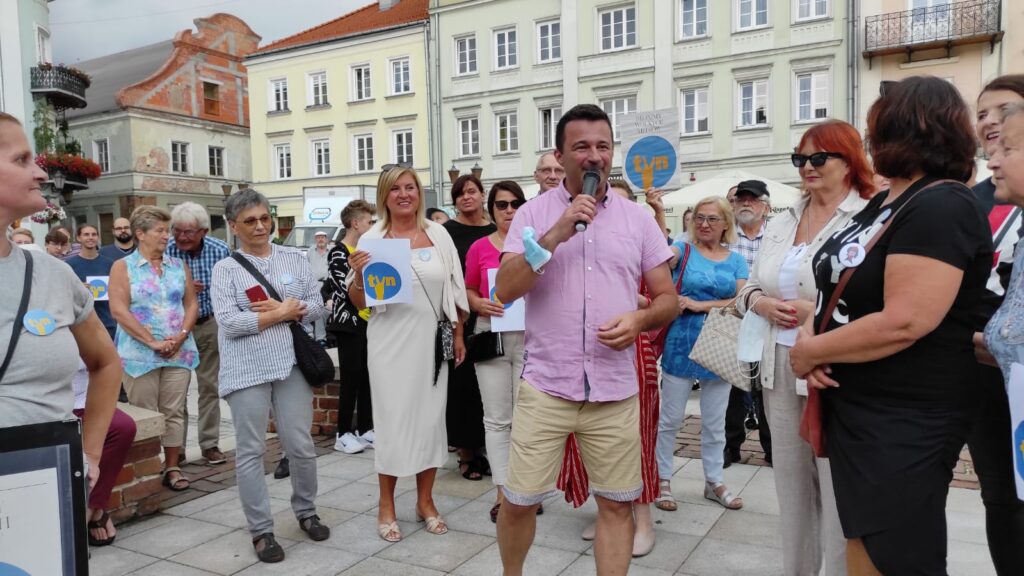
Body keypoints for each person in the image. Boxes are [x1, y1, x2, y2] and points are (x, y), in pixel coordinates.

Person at [789, 76, 992, 575]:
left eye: (874, 125)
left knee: (897, 551)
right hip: (861, 407)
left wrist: (813, 352)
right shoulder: (886, 202)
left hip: (905, 414)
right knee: (866, 540)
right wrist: (816, 338)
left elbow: (906, 320)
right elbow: (835, 287)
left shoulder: (942, 204)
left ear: (904, 127)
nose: (868, 136)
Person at [494, 104, 676, 576]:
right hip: (546, 385)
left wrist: (639, 321)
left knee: (616, 505)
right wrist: (556, 232)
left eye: (603, 146)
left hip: (614, 388)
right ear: (560, 156)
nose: (594, 156)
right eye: (581, 147)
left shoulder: (637, 219)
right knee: (519, 501)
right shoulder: (532, 213)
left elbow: (668, 300)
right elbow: (505, 290)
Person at [736, 119, 872, 575]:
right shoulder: (783, 219)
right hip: (778, 363)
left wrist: (812, 310)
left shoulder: (868, 216)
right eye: (800, 158)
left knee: (836, 488)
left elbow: (875, 297)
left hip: (833, 368)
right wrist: (762, 303)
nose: (807, 167)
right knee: (791, 487)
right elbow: (748, 286)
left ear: (848, 161)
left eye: (818, 157)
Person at [0, 111, 121, 546]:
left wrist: (88, 455)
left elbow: (106, 363)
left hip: (43, 486)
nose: (39, 172)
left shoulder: (52, 274)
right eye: (21, 160)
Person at [346, 166, 469, 543]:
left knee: (430, 422)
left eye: (410, 187)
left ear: (419, 192)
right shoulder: (372, 237)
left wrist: (458, 334)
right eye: (395, 189)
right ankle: (386, 504)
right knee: (393, 423)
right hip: (389, 344)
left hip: (431, 343)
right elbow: (360, 302)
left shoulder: (438, 234)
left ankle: (425, 501)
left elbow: (455, 288)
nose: (404, 194)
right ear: (384, 196)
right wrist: (358, 274)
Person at [211, 189, 331, 563]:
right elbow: (229, 322)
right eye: (250, 221)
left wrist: (290, 308)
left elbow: (318, 307)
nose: (261, 226)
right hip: (246, 369)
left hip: (291, 364)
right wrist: (280, 314)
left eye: (265, 218)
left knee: (300, 444)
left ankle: (306, 511)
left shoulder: (294, 258)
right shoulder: (226, 269)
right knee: (251, 450)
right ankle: (261, 530)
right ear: (233, 226)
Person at [555, 179, 665, 557]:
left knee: (638, 436)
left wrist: (634, 302)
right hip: (584, 352)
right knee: (590, 437)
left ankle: (643, 519)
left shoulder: (640, 236)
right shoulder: (582, 239)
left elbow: (663, 298)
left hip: (631, 350)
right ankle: (609, 512)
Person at [654, 196, 749, 513]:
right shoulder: (683, 250)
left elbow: (741, 302)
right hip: (681, 342)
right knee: (670, 419)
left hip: (720, 344)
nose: (704, 224)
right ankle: (662, 478)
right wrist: (658, 212)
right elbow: (659, 254)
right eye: (699, 218)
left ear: (725, 224)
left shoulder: (736, 260)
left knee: (715, 421)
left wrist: (700, 305)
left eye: (712, 219)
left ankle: (714, 481)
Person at [969, 75, 1024, 575]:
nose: (989, 121)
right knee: (1000, 494)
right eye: (981, 114)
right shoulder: (974, 197)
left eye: (1002, 111)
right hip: (984, 377)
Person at [109, 205, 199, 492]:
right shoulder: (123, 267)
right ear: (140, 233)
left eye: (166, 230)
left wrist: (181, 336)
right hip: (139, 355)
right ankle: (147, 469)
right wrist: (151, 341)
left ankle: (172, 466)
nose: (166, 236)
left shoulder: (178, 266)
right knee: (145, 414)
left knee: (174, 411)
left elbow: (191, 304)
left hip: (178, 351)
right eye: (160, 230)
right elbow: (118, 310)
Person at [464, 180, 527, 522]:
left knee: (527, 419)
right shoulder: (479, 247)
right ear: (491, 210)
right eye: (502, 204)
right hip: (491, 333)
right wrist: (478, 304)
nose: (509, 210)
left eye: (516, 203)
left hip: (530, 336)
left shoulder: (534, 244)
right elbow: (468, 290)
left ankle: (524, 489)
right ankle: (503, 493)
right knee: (496, 418)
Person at [165, 202, 231, 466]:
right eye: (177, 230)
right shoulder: (165, 249)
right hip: (174, 328)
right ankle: (176, 449)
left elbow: (229, 285)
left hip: (208, 323)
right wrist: (180, 287)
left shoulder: (220, 250)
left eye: (188, 232)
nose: (181, 237)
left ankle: (209, 444)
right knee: (176, 391)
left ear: (203, 231)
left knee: (209, 387)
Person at [443, 174, 495, 481]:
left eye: (471, 191)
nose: (466, 197)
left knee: (483, 385)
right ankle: (465, 452)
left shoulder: (494, 230)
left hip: (490, 315)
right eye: (460, 194)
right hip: (454, 317)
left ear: (482, 194)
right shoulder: (446, 232)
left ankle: (483, 448)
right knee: (459, 383)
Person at [723, 180, 772, 469]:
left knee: (768, 385)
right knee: (732, 385)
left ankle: (771, 447)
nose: (745, 203)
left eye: (752, 199)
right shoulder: (725, 235)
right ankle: (730, 446)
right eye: (741, 198)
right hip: (734, 318)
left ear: (766, 206)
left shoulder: (778, 235)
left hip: (768, 319)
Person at [326, 199, 377, 455]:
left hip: (368, 321)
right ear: (356, 223)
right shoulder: (338, 251)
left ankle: (365, 427)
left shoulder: (366, 250)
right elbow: (342, 287)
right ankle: (343, 432)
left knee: (367, 376)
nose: (373, 225)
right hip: (349, 323)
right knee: (350, 377)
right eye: (370, 221)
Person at [70, 360, 136, 546]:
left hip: (86, 399)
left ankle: (91, 509)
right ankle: (94, 513)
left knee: (123, 427)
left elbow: (108, 363)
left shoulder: (87, 338)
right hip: (46, 404)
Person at [66, 224, 118, 341]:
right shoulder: (69, 265)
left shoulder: (109, 264)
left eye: (94, 234)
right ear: (78, 238)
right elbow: (64, 294)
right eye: (86, 234)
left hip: (107, 322)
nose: (90, 237)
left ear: (98, 237)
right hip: (81, 324)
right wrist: (78, 289)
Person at [307, 230, 330, 345]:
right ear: (315, 239)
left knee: (326, 310)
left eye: (322, 237)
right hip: (315, 285)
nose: (320, 239)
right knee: (315, 309)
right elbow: (305, 268)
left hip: (329, 285)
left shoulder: (332, 250)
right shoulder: (310, 252)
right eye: (318, 237)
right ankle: (319, 337)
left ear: (326, 239)